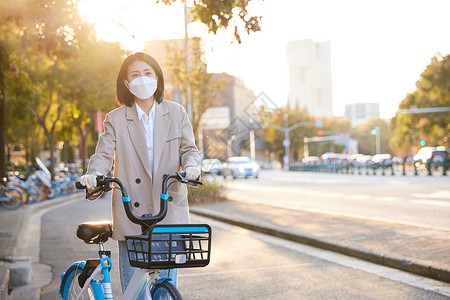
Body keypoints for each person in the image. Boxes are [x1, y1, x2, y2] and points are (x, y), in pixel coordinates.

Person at [79, 52, 201, 297]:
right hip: (131, 209)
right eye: (134, 75)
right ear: (126, 83)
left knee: (166, 289)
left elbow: (189, 150)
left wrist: (192, 167)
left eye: (147, 73)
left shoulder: (176, 112)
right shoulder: (115, 118)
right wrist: (94, 174)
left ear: (157, 78)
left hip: (168, 206)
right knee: (134, 292)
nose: (142, 79)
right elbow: (104, 153)